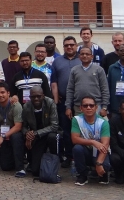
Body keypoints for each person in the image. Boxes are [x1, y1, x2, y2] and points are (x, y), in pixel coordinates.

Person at [50, 36, 81, 167]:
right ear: (63, 47)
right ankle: (68, 156)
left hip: (80, 103)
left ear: (76, 46)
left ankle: (80, 156)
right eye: (66, 45)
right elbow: (54, 83)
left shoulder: (82, 60)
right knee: (66, 131)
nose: (69, 47)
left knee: (80, 130)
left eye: (72, 45)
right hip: (63, 102)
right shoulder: (57, 62)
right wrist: (56, 102)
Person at [0, 82, 25, 177]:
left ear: (8, 93)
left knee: (16, 137)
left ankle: (20, 168)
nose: (0, 95)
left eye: (3, 92)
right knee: (5, 167)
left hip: (16, 135)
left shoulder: (16, 105)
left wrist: (2, 137)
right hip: (4, 137)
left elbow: (18, 126)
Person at [71, 96, 111, 186]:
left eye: (91, 105)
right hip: (85, 150)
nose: (88, 108)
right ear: (81, 108)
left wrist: (99, 163)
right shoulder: (76, 120)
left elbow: (105, 145)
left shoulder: (103, 122)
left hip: (99, 151)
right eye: (85, 106)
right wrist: (93, 142)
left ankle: (101, 173)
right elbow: (75, 139)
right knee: (77, 148)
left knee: (105, 165)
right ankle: (82, 175)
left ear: (96, 107)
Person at [22, 87, 60, 176]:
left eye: (38, 96)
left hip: (48, 134)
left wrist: (36, 133)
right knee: (35, 172)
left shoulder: (50, 103)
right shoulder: (26, 107)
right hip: (36, 138)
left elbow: (54, 126)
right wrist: (27, 134)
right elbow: (23, 126)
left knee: (53, 137)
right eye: (33, 96)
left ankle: (54, 163)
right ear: (30, 97)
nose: (36, 99)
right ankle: (32, 162)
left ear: (43, 96)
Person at [66, 46, 110, 118]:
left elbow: (104, 89)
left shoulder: (99, 70)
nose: (84, 56)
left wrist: (104, 107)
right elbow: (70, 89)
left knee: (96, 129)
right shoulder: (74, 70)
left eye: (87, 54)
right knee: (80, 128)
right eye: (82, 54)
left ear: (92, 56)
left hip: (95, 106)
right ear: (79, 56)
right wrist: (68, 107)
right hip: (78, 107)